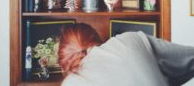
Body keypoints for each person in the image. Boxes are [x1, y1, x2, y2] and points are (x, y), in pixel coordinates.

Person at [58, 23, 194, 86]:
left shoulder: (70, 83)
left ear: (64, 61)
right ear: (95, 37)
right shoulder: (130, 39)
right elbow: (190, 58)